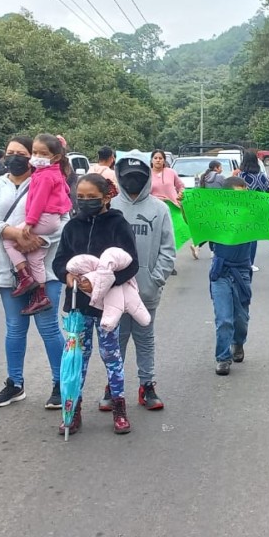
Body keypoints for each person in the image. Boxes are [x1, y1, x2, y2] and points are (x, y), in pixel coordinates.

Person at [52, 174, 139, 436]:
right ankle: (72, 411)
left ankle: (119, 408)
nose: (85, 202)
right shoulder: (71, 227)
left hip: (106, 307)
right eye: (80, 197)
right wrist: (67, 277)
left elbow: (131, 263)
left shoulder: (118, 224)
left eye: (91, 198)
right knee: (76, 359)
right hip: (77, 306)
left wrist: (105, 282)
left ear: (106, 197)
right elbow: (59, 262)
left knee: (112, 358)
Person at [0, 136, 68, 409]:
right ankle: (15, 383)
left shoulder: (46, 179)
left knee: (48, 327)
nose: (15, 157)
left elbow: (63, 219)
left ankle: (60, 383)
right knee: (14, 328)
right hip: (8, 270)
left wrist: (40, 241)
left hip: (45, 268)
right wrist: (13, 233)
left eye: (21, 152)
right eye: (10, 152)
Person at [108, 158, 176, 410]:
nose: (132, 180)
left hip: (146, 290)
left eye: (138, 175)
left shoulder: (159, 209)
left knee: (145, 339)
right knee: (117, 339)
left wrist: (155, 279)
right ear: (119, 175)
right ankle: (113, 386)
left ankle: (147, 385)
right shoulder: (110, 206)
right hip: (113, 291)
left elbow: (168, 250)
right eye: (127, 175)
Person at [210, 176, 269, 376]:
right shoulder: (215, 215)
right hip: (220, 271)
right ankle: (222, 357)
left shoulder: (251, 215)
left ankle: (238, 343)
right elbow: (197, 223)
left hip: (242, 270)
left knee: (241, 318)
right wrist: (185, 206)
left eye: (244, 195)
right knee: (224, 318)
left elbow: (267, 214)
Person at [1, 134, 73, 316]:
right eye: (35, 152)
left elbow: (38, 201)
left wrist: (30, 224)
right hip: (50, 220)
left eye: (42, 153)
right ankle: (40, 295)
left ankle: (24, 276)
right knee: (35, 258)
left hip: (43, 220)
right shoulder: (55, 173)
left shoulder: (44, 176)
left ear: (55, 157)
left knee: (9, 240)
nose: (37, 157)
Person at [150, 149, 195, 261]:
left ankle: (169, 261)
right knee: (157, 236)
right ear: (151, 160)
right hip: (154, 208)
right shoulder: (147, 174)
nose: (158, 160)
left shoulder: (171, 172)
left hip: (172, 208)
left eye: (160, 158)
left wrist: (180, 194)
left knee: (173, 234)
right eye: (155, 158)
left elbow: (181, 186)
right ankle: (157, 260)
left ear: (164, 160)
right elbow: (144, 192)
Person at [239, 149, 269, 271]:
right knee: (253, 238)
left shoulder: (240, 176)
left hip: (241, 211)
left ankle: (241, 261)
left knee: (242, 237)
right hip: (257, 211)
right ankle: (250, 263)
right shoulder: (261, 176)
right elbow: (267, 192)